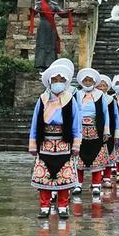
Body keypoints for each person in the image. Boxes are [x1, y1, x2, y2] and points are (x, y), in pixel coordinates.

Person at [29, 63, 81, 219]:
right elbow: (34, 122)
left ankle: (63, 206)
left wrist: (76, 144)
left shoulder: (69, 100)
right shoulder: (43, 99)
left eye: (61, 79)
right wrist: (33, 144)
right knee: (44, 176)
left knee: (64, 176)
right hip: (45, 143)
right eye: (55, 79)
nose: (58, 82)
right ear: (50, 82)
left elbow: (75, 123)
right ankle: (44, 206)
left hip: (64, 143)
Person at [74, 68, 110, 197]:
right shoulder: (76, 94)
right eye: (85, 80)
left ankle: (96, 185)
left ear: (94, 82)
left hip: (96, 130)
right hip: (80, 130)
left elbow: (105, 113)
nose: (88, 82)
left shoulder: (100, 95)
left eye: (90, 80)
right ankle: (78, 184)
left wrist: (106, 131)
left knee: (96, 157)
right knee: (78, 157)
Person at [97, 75, 119, 189]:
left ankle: (106, 178)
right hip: (95, 131)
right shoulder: (92, 98)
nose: (101, 87)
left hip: (109, 130)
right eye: (99, 85)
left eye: (104, 85)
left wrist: (116, 133)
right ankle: (96, 178)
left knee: (109, 153)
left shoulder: (111, 100)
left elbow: (116, 117)